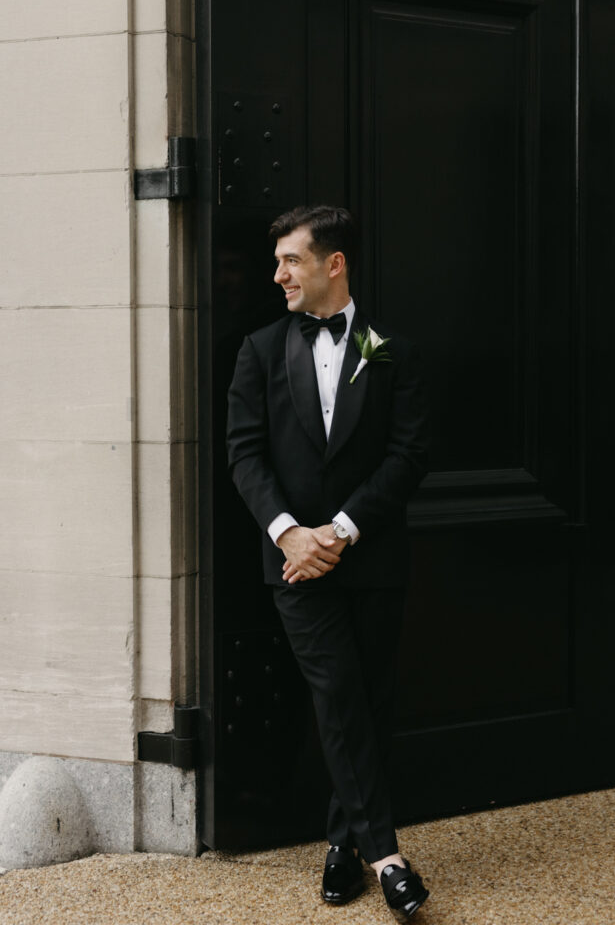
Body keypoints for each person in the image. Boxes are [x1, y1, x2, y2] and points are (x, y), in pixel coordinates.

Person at [226, 205, 430, 920]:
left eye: (290, 260)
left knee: (369, 701)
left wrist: (341, 530)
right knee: (338, 691)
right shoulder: (259, 349)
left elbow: (408, 455)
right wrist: (291, 535)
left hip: (369, 556)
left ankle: (343, 846)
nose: (277, 274)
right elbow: (243, 454)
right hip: (292, 566)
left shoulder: (383, 349)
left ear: (332, 264)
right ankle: (387, 855)